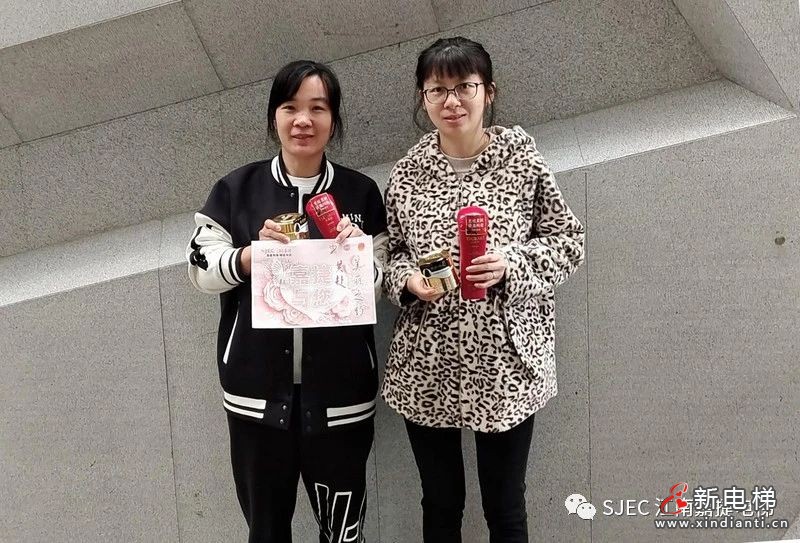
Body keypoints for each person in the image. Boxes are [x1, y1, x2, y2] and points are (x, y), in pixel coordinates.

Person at [381, 37, 585, 542]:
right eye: (437, 90)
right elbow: (391, 253)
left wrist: (511, 265)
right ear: (423, 99)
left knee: (505, 503)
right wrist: (407, 281)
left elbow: (568, 241)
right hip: (427, 363)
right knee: (441, 502)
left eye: (464, 87)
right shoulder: (406, 176)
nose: (451, 101)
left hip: (506, 361)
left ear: (488, 92)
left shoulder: (522, 161)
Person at [186, 60, 387, 543]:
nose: (303, 121)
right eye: (290, 107)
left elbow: (381, 282)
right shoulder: (236, 190)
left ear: (334, 120)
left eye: (318, 108)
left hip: (340, 399)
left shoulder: (360, 192)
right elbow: (200, 268)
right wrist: (249, 257)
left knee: (343, 534)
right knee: (266, 531)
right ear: (273, 116)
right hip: (256, 397)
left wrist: (356, 256)